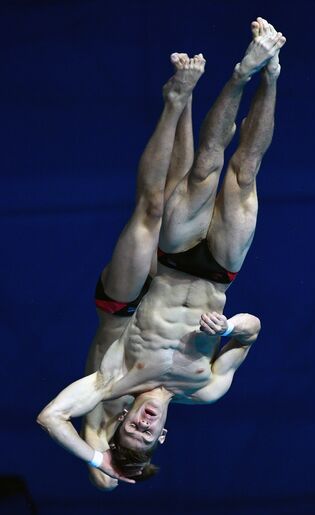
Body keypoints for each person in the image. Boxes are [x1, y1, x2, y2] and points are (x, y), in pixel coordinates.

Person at [37, 18, 286, 488]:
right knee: (246, 172)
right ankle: (270, 73)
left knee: (203, 171)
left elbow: (51, 416)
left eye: (132, 427)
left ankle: (238, 74)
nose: (143, 425)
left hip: (172, 258)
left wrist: (97, 462)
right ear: (162, 436)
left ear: (126, 418)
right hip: (221, 272)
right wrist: (230, 327)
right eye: (147, 435)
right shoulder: (205, 389)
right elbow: (252, 332)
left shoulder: (117, 378)